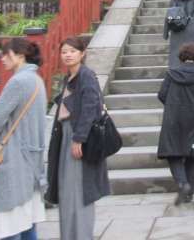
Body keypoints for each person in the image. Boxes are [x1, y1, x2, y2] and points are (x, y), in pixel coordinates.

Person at [46, 37, 110, 240]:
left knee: (78, 191)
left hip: (77, 137)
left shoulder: (86, 76)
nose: (67, 55)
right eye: (64, 51)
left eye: (72, 51)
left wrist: (79, 138)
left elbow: (91, 107)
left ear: (82, 53)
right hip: (65, 134)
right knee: (66, 191)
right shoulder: (70, 77)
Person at [0, 38, 47, 240]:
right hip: (32, 156)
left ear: (20, 56)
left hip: (14, 156)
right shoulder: (37, 80)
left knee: (9, 223)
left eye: (7, 54)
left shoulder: (18, 81)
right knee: (27, 220)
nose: (2, 59)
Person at [157, 42, 194, 205]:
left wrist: (174, 106)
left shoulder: (171, 73)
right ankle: (190, 194)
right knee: (192, 154)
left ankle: (183, 184)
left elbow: (162, 95)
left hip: (173, 118)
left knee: (173, 153)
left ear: (181, 57)